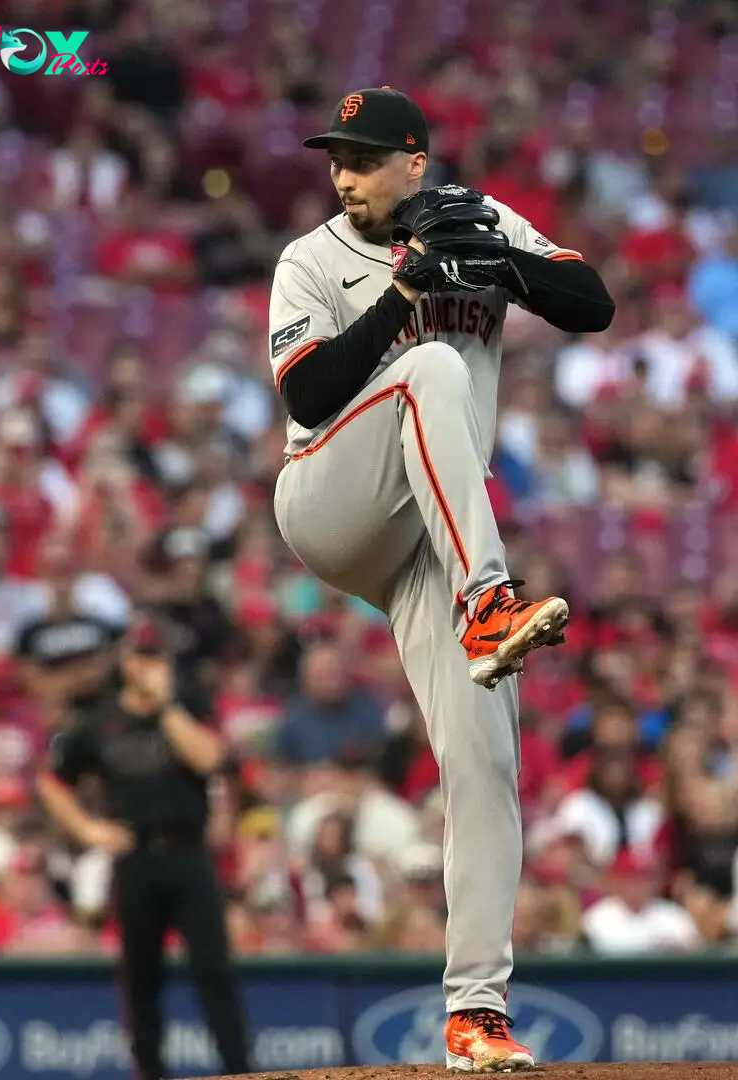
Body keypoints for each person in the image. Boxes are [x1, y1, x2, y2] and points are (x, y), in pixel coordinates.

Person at [268, 87, 615, 1072]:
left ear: (415, 162)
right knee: (432, 372)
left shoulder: (476, 216)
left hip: (433, 528)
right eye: (337, 156)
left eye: (365, 156)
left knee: (485, 761)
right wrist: (404, 293)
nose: (344, 172)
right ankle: (484, 603)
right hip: (330, 501)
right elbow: (308, 390)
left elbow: (589, 304)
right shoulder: (310, 257)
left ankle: (475, 1015)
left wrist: (491, 259)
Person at [37, 618, 250, 1080]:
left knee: (214, 971)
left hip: (189, 853)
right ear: (126, 662)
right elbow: (54, 782)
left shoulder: (187, 704)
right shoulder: (101, 721)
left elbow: (210, 759)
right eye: (143, 657)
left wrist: (167, 704)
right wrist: (90, 830)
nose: (151, 666)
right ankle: (149, 1072)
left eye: (157, 657)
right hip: (134, 857)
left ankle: (239, 1072)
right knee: (140, 977)